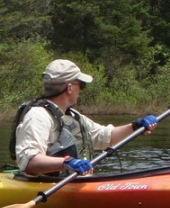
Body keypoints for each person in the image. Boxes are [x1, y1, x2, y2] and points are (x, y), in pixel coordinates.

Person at [13, 59, 158, 176]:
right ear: (70, 88)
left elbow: (105, 137)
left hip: (74, 183)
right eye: (81, 85)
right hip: (46, 186)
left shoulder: (72, 116)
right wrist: (67, 162)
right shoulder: (38, 117)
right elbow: (29, 163)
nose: (81, 90)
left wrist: (134, 127)